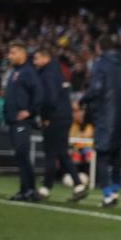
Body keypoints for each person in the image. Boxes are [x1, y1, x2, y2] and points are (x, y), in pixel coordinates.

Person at [80, 37, 121, 208]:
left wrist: (83, 100)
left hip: (105, 116)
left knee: (102, 155)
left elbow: (96, 89)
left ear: (99, 47)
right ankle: (115, 191)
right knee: (116, 155)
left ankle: (107, 195)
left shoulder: (100, 64)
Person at [33, 47, 88, 202]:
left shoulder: (47, 74)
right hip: (64, 116)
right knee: (61, 152)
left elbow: (49, 98)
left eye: (37, 58)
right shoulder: (59, 72)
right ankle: (78, 185)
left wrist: (45, 116)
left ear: (45, 57)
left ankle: (45, 189)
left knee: (51, 152)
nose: (35, 62)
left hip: (54, 117)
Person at [3, 42, 42, 201]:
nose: (9, 56)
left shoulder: (28, 71)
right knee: (21, 156)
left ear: (21, 54)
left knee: (22, 154)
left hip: (21, 122)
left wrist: (30, 111)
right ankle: (28, 190)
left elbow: (39, 93)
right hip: (13, 121)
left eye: (12, 53)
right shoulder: (16, 71)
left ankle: (28, 190)